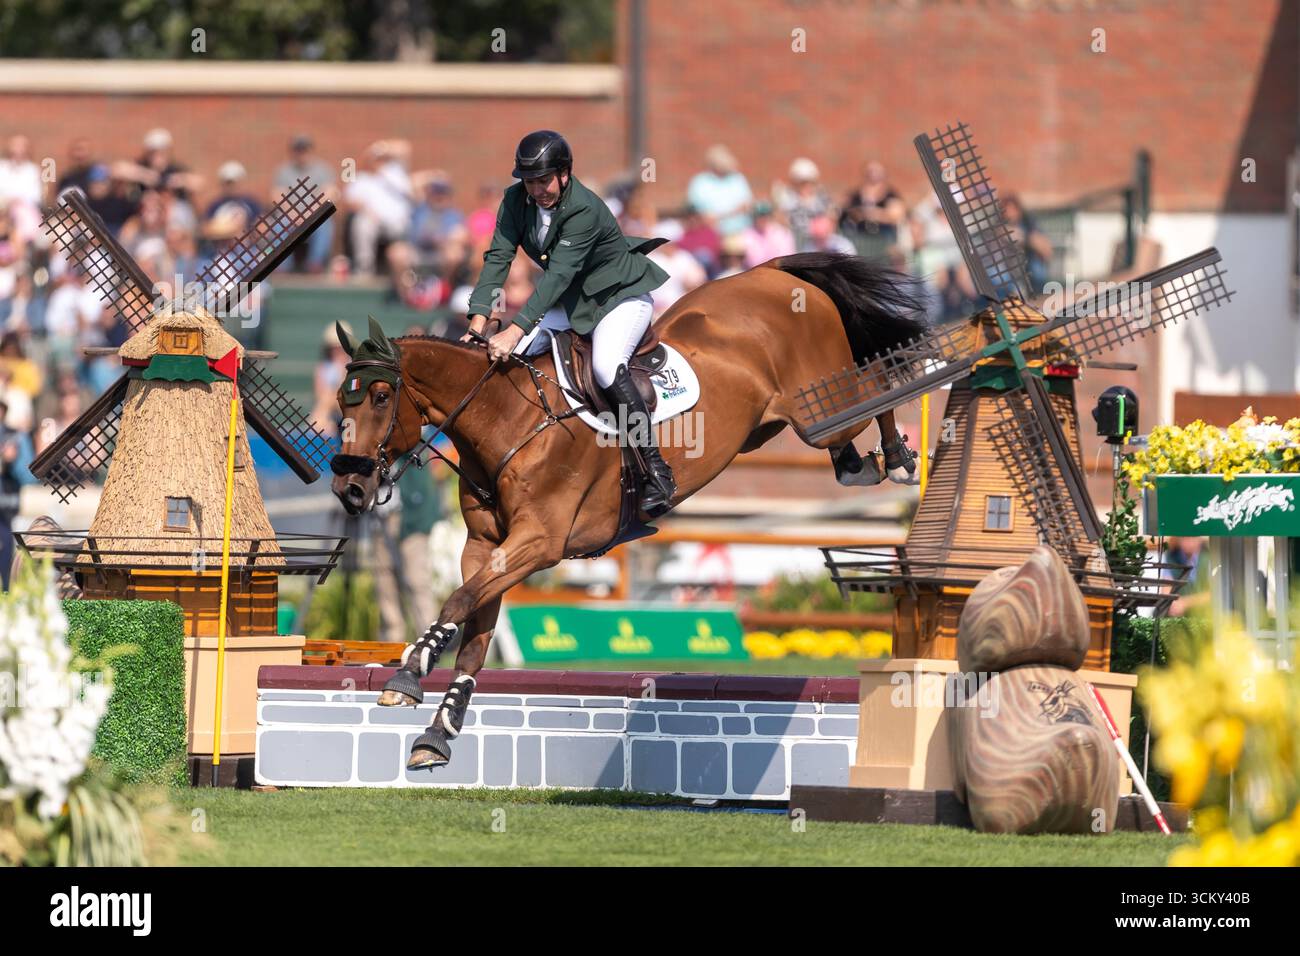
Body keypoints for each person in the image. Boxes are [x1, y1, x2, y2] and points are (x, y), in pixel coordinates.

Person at [461, 130, 676, 517]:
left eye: (544, 180)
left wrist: (514, 328)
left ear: (564, 174)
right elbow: (498, 257)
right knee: (509, 359)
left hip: (618, 297)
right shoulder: (515, 200)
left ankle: (655, 469)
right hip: (573, 301)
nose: (537, 189)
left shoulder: (584, 209)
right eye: (529, 181)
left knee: (606, 367)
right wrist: (479, 320)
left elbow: (557, 276)